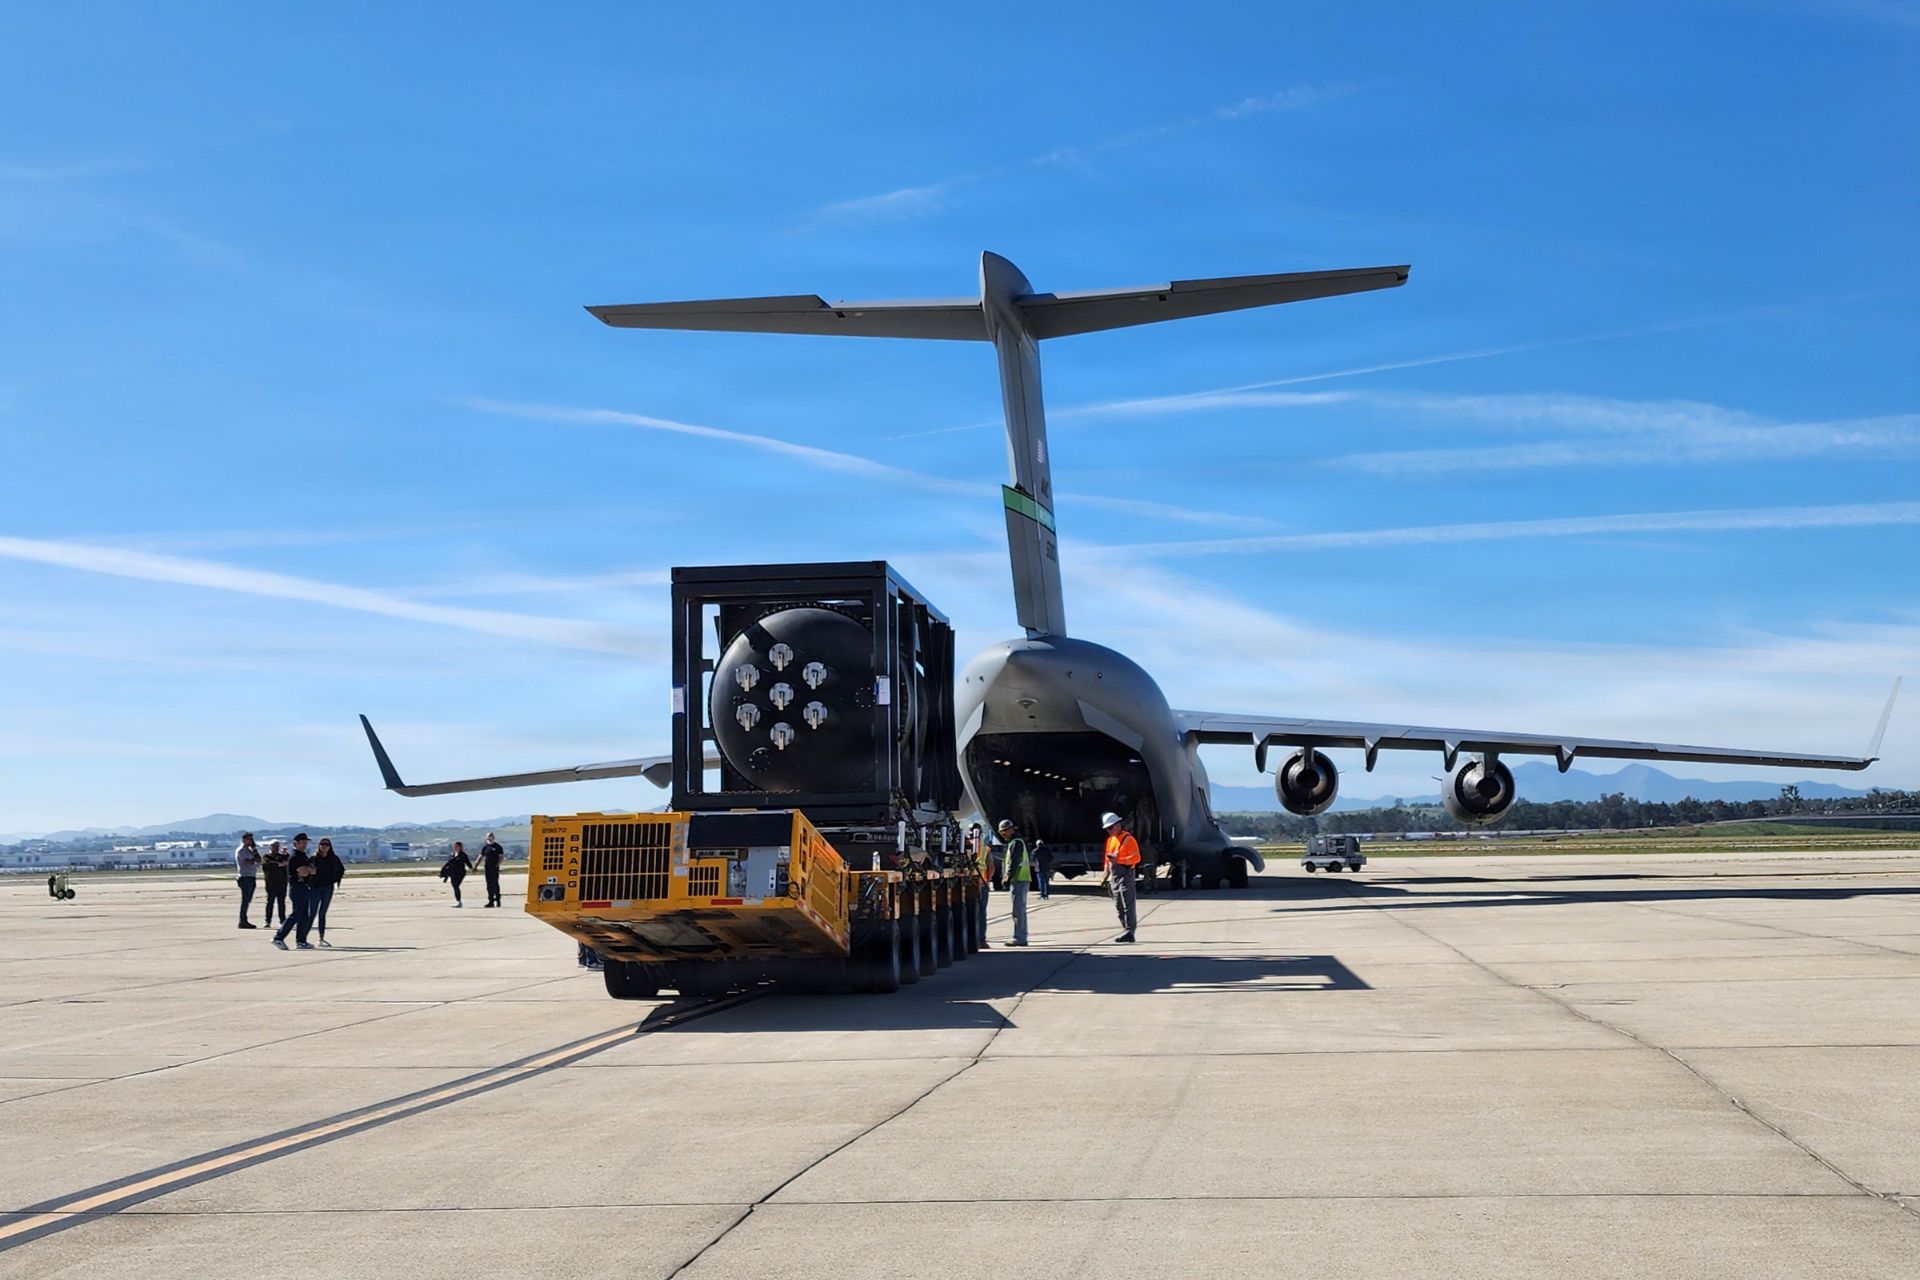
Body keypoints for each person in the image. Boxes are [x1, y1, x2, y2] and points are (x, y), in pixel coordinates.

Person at [272, 833, 318, 950]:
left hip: (304, 887)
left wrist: (310, 870)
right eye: (302, 842)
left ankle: (301, 941)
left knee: (304, 916)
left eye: (305, 842)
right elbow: (304, 872)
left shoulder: (303, 856)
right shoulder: (295, 857)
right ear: (295, 844)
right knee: (296, 914)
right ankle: (279, 937)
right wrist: (309, 870)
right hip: (297, 888)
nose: (304, 844)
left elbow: (313, 870)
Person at [1100, 811, 1139, 943]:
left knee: (1128, 903)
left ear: (1118, 825)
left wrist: (1120, 860)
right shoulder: (1110, 840)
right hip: (1115, 876)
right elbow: (1108, 858)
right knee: (1118, 905)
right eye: (1107, 829)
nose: (1109, 831)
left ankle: (1130, 931)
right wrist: (1105, 874)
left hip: (1126, 874)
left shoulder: (1129, 839)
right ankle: (1126, 929)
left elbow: (1136, 857)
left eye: (1110, 828)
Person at [996, 819, 1031, 946]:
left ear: (1011, 829)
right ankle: (1021, 936)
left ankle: (1020, 937)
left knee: (1018, 910)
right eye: (1001, 832)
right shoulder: (1016, 842)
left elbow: (1013, 862)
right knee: (1020, 909)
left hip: (1019, 879)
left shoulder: (1016, 843)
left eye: (1004, 831)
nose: (1003, 834)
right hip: (1021, 879)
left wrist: (1007, 878)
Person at [310, 837, 345, 946]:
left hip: (327, 888)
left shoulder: (333, 858)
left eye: (326, 844)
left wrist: (334, 879)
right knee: (311, 913)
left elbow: (341, 869)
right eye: (322, 844)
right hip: (315, 888)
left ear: (330, 847)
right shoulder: (314, 858)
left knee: (322, 913)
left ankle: (321, 937)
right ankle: (302, 937)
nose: (324, 846)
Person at [968, 823, 990, 950]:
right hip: (982, 883)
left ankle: (973, 939)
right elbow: (991, 865)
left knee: (972, 913)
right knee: (981, 913)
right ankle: (981, 940)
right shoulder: (985, 848)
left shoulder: (966, 844)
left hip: (969, 884)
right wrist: (987, 879)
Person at [234, 832, 262, 929]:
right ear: (244, 840)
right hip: (244, 877)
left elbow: (259, 860)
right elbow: (247, 862)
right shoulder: (241, 850)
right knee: (245, 900)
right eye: (249, 839)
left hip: (251, 876)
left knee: (248, 900)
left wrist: (254, 850)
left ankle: (244, 919)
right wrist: (254, 860)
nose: (251, 841)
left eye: (251, 839)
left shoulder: (250, 851)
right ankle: (242, 920)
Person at [261, 840, 290, 927]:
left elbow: (288, 861)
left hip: (282, 882)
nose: (276, 848)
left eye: (278, 846)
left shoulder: (281, 856)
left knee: (281, 903)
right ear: (270, 847)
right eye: (274, 846)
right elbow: (268, 864)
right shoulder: (266, 857)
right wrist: (280, 864)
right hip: (271, 883)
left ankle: (282, 920)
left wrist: (285, 854)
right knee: (270, 902)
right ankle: (268, 920)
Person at [441, 841, 473, 908]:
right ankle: (458, 901)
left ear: (460, 847)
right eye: (454, 846)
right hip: (453, 873)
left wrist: (472, 869)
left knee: (456, 885)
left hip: (460, 873)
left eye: (456, 846)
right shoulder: (453, 854)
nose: (455, 847)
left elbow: (468, 863)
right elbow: (449, 863)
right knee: (454, 886)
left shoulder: (463, 855)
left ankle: (459, 902)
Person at [479, 832, 505, 908]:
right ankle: (491, 901)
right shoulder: (485, 847)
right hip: (487, 868)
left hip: (495, 868)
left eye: (491, 836)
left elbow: (501, 857)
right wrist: (476, 866)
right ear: (487, 838)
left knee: (495, 884)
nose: (490, 838)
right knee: (489, 885)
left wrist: (498, 864)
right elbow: (480, 857)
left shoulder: (498, 847)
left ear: (494, 837)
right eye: (489, 837)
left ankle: (498, 900)